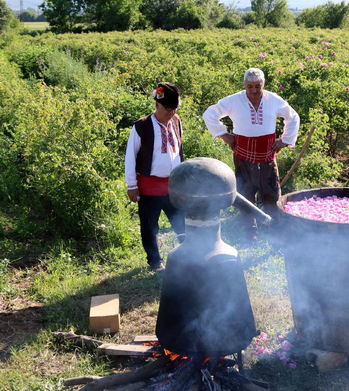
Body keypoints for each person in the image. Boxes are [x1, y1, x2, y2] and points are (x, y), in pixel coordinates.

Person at [203, 68, 300, 242]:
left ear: (263, 85)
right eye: (250, 86)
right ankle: (251, 237)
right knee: (246, 198)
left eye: (258, 86)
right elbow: (210, 114)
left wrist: (285, 140)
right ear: (245, 86)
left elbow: (293, 117)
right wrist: (224, 135)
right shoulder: (234, 100)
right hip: (243, 159)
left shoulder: (273, 100)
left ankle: (277, 237)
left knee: (273, 198)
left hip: (267, 159)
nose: (254, 90)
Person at [125, 82, 186, 272]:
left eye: (174, 108)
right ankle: (155, 261)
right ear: (157, 105)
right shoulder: (141, 127)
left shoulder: (176, 121)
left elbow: (180, 151)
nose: (171, 112)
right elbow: (130, 157)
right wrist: (131, 185)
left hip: (173, 186)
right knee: (150, 226)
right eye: (168, 108)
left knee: (182, 222)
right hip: (149, 187)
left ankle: (188, 255)